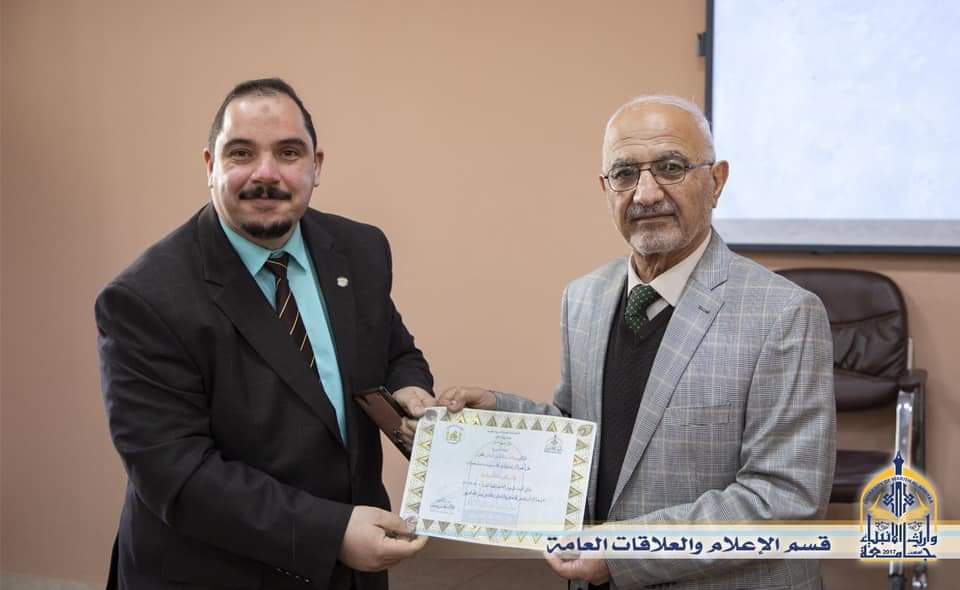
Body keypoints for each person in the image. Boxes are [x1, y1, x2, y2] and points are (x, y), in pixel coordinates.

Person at [441, 95, 836, 590]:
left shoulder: (784, 313)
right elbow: (584, 431)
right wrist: (498, 414)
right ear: (605, 188)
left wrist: (621, 552)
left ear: (716, 182)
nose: (646, 194)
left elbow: (784, 499)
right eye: (625, 174)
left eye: (671, 167)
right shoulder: (583, 298)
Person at [96, 78, 432, 590]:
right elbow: (177, 474)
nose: (266, 173)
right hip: (213, 573)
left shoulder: (360, 249)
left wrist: (409, 387)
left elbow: (394, 349)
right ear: (210, 165)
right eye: (242, 153)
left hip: (351, 569)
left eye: (288, 153)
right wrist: (330, 533)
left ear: (316, 166)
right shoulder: (143, 300)